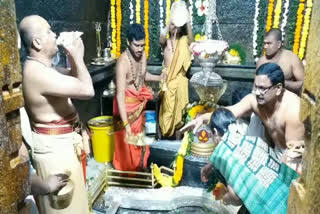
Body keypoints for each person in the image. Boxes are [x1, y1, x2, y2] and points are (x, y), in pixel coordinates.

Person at [19, 15, 93, 214]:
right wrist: (77, 56)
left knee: (77, 206)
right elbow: (87, 90)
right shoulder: (36, 73)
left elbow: (76, 78)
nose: (55, 35)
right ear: (37, 42)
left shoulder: (45, 68)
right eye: (49, 31)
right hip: (55, 152)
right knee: (66, 209)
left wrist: (74, 57)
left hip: (64, 146)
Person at [181, 63, 305, 167]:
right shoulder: (255, 100)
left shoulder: (293, 111)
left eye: (262, 88)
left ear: (278, 88)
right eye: (256, 87)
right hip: (274, 151)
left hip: (295, 160)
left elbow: (293, 155)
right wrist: (202, 118)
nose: (257, 92)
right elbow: (230, 111)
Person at [200, 108, 299, 214]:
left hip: (270, 207)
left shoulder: (225, 154)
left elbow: (236, 197)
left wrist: (225, 198)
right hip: (291, 195)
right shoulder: (252, 140)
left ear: (215, 132)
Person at [113, 24, 162, 172]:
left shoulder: (143, 55)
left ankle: (141, 167)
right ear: (128, 42)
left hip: (140, 103)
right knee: (128, 146)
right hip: (126, 108)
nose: (140, 49)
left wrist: (160, 77)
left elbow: (142, 75)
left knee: (143, 139)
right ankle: (129, 175)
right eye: (137, 45)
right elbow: (120, 95)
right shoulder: (122, 63)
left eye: (143, 45)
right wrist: (126, 125)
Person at [159, 0, 194, 137]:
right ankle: (166, 138)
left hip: (180, 82)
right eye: (173, 25)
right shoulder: (166, 42)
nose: (175, 28)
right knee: (167, 113)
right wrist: (171, 20)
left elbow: (192, 42)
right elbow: (161, 38)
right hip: (168, 82)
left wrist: (187, 20)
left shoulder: (184, 40)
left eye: (178, 26)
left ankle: (179, 141)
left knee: (180, 114)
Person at [257, 28, 304, 95]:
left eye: (269, 43)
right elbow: (255, 87)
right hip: (265, 101)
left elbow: (304, 84)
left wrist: (283, 83)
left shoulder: (292, 58)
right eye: (264, 43)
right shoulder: (261, 61)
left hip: (287, 100)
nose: (265, 46)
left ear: (278, 44)